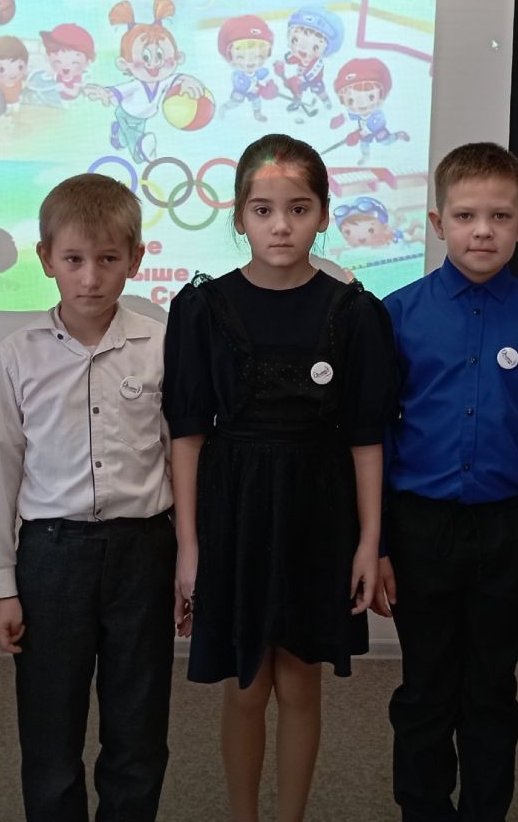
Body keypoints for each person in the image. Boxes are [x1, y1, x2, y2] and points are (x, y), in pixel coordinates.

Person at [165, 133, 398, 822]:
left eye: (298, 209)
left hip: (316, 510)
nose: (280, 226)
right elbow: (187, 435)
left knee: (299, 680)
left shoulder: (354, 311)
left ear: (323, 214)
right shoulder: (202, 309)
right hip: (232, 507)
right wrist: (188, 547)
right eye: (262, 210)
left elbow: (365, 438)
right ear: (239, 216)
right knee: (244, 685)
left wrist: (369, 541)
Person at [374, 140, 518, 821]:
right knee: (425, 688)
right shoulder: (396, 316)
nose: (483, 231)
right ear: (438, 223)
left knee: (491, 691)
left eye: (499, 216)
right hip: (420, 528)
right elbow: (375, 442)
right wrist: (377, 546)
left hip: (510, 531)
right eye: (465, 216)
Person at [0, 173, 176, 822]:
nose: (90, 278)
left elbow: (180, 458)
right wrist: (2, 585)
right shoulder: (18, 355)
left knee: (138, 726)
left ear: (136, 259)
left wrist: (187, 560)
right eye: (73, 260)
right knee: (49, 728)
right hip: (51, 556)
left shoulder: (161, 345)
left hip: (143, 551)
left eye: (108, 259)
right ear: (45, 259)